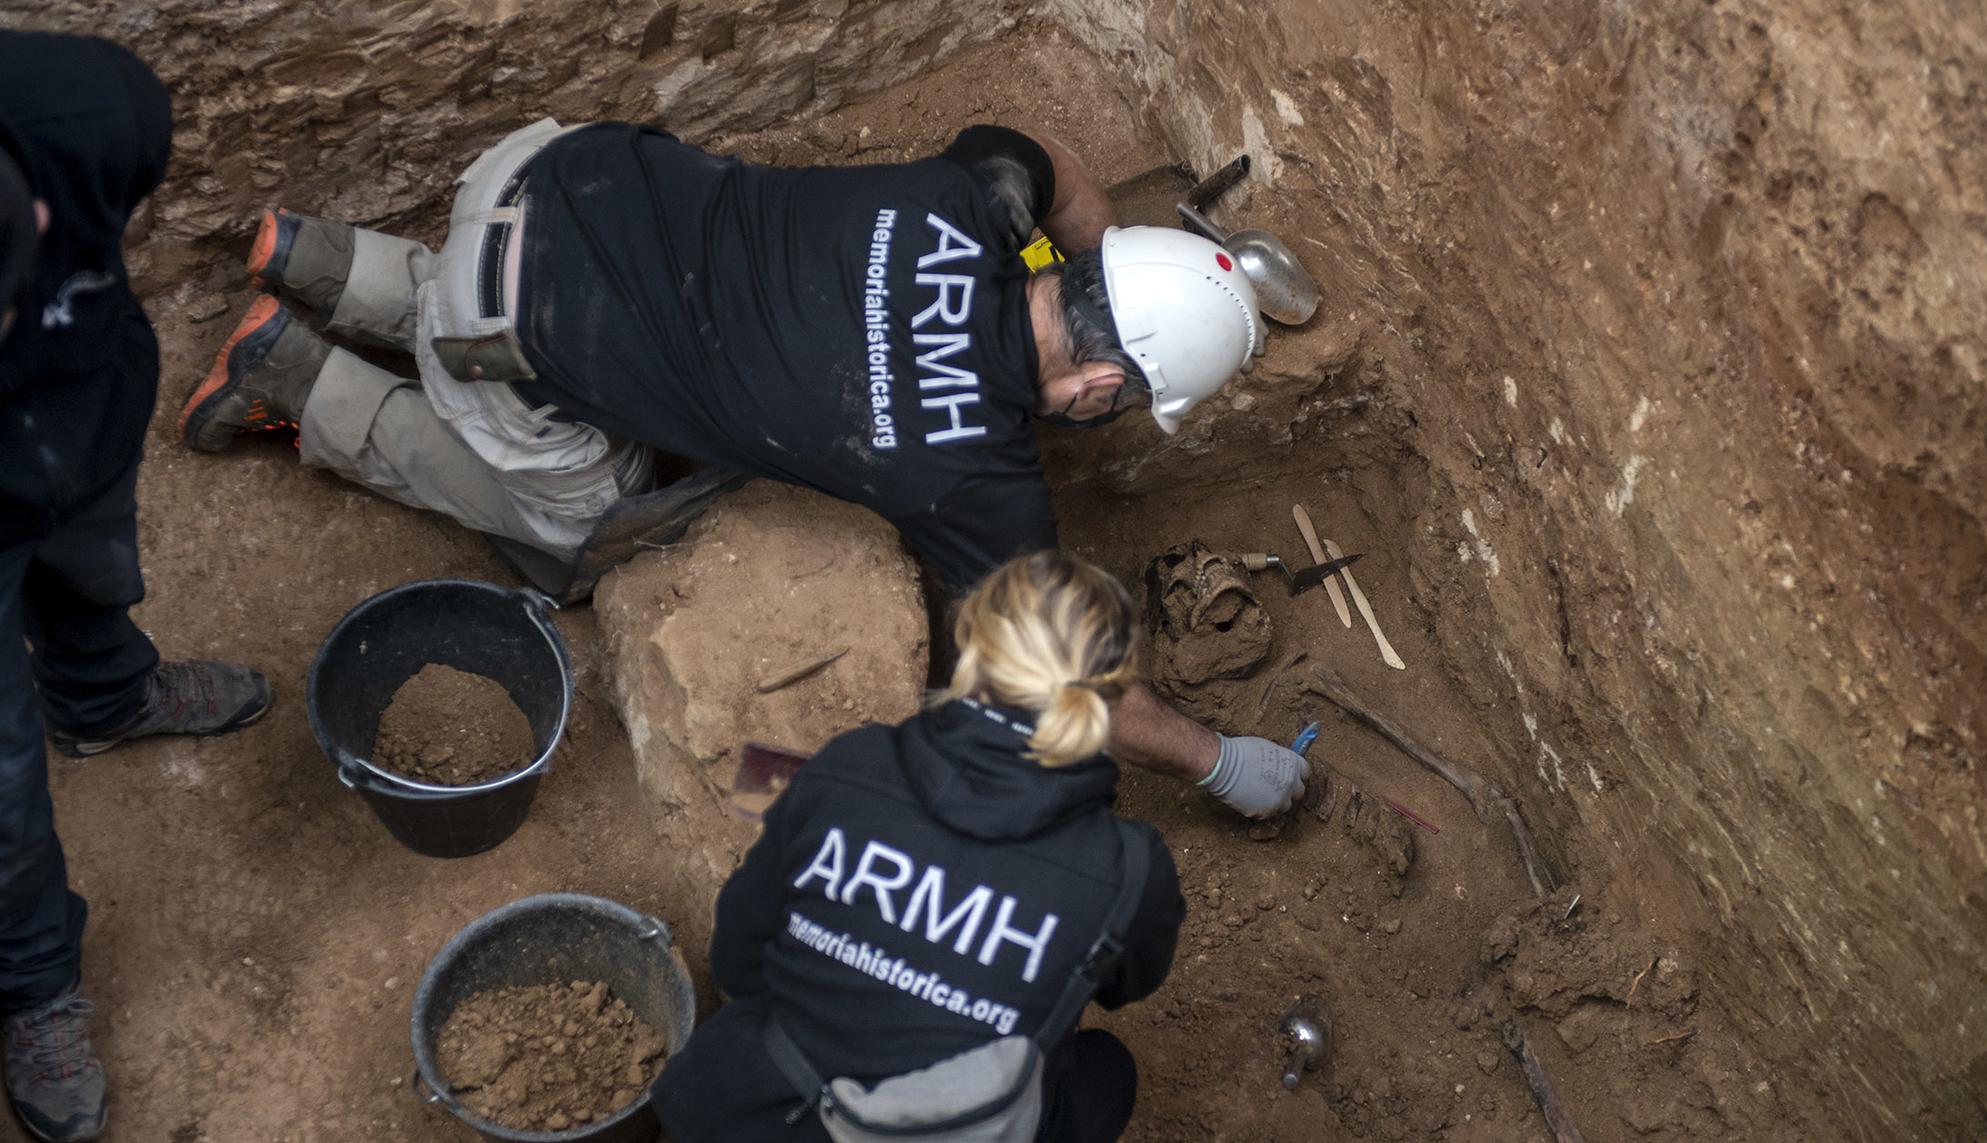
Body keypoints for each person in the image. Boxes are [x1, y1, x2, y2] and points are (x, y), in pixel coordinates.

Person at [180, 119, 1309, 820]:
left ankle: (315, 254)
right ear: (1105, 390)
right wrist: (1218, 764)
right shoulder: (968, 472)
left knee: (562, 291)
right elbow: (1080, 693)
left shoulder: (972, 197)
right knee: (577, 529)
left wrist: (1087, 249)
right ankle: (294, 374)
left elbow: (1049, 159)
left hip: (550, 168)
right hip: (510, 329)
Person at [653, 551, 1185, 1141]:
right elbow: (1125, 984)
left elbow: (735, 958)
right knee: (1105, 1069)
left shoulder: (851, 765)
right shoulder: (1129, 868)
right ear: (1110, 694)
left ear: (973, 650)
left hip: (740, 1113)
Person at [0, 31, 273, 1143]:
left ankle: (106, 698)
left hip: (83, 414)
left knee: (95, 568)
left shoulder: (93, 113)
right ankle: (30, 987)